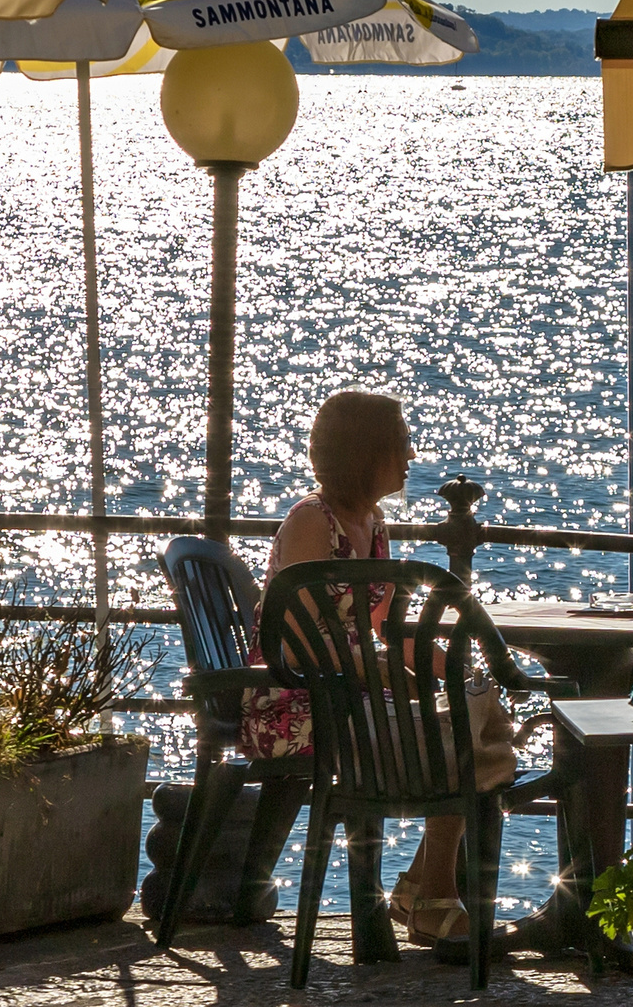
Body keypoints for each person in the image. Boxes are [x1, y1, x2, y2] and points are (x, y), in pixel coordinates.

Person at [242, 390, 516, 948]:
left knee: (478, 711)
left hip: (351, 698)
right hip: (296, 702)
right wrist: (378, 674)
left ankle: (427, 885)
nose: (412, 457)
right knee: (464, 733)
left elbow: (389, 630)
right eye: (401, 445)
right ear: (367, 453)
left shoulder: (373, 522)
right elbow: (293, 643)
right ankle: (427, 892)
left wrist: (451, 668)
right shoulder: (310, 522)